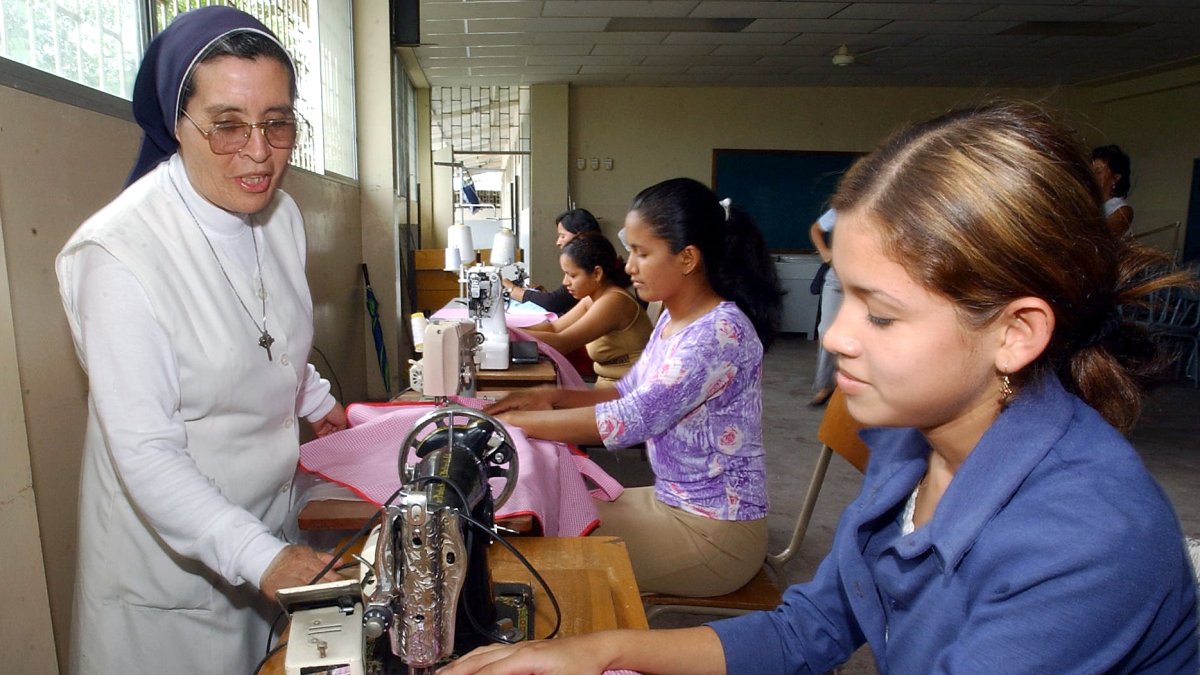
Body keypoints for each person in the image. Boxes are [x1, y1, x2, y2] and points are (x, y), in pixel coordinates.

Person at [440, 102, 1199, 675]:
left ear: (1016, 331)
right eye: (849, 296)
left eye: (883, 312)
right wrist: (594, 649)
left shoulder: (1085, 544)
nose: (833, 337)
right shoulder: (915, 441)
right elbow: (810, 627)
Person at [55, 7, 348, 673]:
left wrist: (317, 401)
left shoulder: (281, 214)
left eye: (278, 122)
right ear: (176, 125)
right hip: (173, 580)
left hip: (268, 538)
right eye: (227, 126)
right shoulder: (121, 258)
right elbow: (147, 453)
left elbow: (268, 332)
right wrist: (265, 557)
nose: (258, 151)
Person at [485, 177, 783, 598]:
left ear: (687, 258)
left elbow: (627, 422)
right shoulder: (674, 317)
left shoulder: (717, 334)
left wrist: (516, 423)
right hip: (674, 502)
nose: (628, 265)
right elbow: (627, 394)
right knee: (543, 512)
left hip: (715, 533)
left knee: (536, 552)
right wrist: (549, 397)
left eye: (642, 253)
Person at [521, 232, 653, 385]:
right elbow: (553, 328)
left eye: (572, 275)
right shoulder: (592, 298)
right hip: (610, 385)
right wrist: (507, 329)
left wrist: (509, 335)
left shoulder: (614, 301)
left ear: (597, 273)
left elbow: (562, 343)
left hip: (628, 390)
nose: (565, 282)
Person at [503, 208, 601, 314]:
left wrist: (510, 288)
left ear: (580, 235)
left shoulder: (591, 265)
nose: (558, 242)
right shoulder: (587, 299)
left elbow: (552, 303)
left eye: (562, 236)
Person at [808, 207, 840, 406]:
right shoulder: (843, 208)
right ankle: (825, 385)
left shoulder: (894, 205)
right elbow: (816, 229)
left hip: (874, 280)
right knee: (827, 331)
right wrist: (826, 253)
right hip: (838, 281)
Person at [1092, 144, 1134, 237]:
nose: (1092, 176)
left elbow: (1099, 237)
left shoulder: (1122, 210)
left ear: (1116, 178)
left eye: (1098, 171)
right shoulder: (1091, 203)